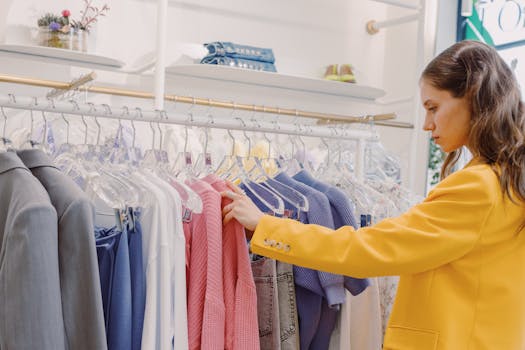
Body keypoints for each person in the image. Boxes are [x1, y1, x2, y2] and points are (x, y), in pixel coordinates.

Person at [221, 40, 525, 350]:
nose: (426, 124)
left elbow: (367, 249)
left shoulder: (478, 188)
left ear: (472, 97)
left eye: (433, 107)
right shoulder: (509, 181)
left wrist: (266, 226)